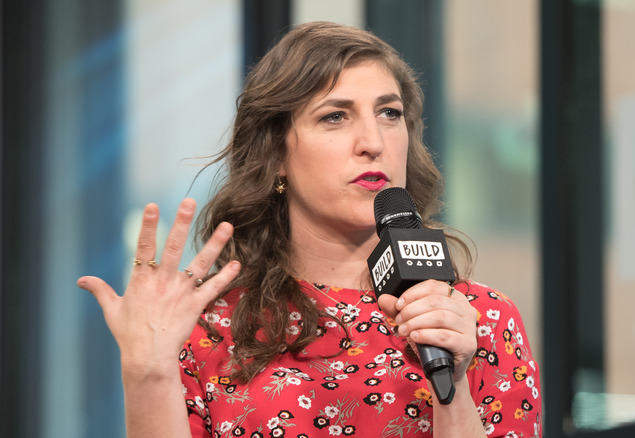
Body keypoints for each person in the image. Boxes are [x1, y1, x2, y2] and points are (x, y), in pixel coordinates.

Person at [78, 21, 541, 438]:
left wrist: (454, 383)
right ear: (276, 153)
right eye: (335, 116)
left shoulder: (481, 318)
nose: (373, 143)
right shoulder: (208, 328)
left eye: (389, 113)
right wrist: (148, 372)